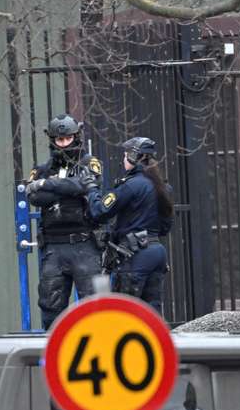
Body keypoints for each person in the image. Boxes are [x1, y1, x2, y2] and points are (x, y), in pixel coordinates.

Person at [24, 114, 103, 329]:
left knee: (93, 308)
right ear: (52, 140)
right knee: (51, 307)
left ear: (76, 137)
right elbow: (35, 198)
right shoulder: (41, 168)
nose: (63, 143)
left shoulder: (89, 163)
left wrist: (46, 184)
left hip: (84, 244)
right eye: (59, 140)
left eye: (67, 138)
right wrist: (68, 188)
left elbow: (84, 186)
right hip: (54, 247)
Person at [86, 136, 173, 314]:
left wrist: (92, 188)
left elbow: (100, 211)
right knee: (151, 314)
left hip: (135, 255)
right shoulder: (163, 187)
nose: (123, 159)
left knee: (123, 313)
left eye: (125, 155)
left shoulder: (132, 185)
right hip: (156, 252)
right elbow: (165, 226)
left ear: (134, 157)